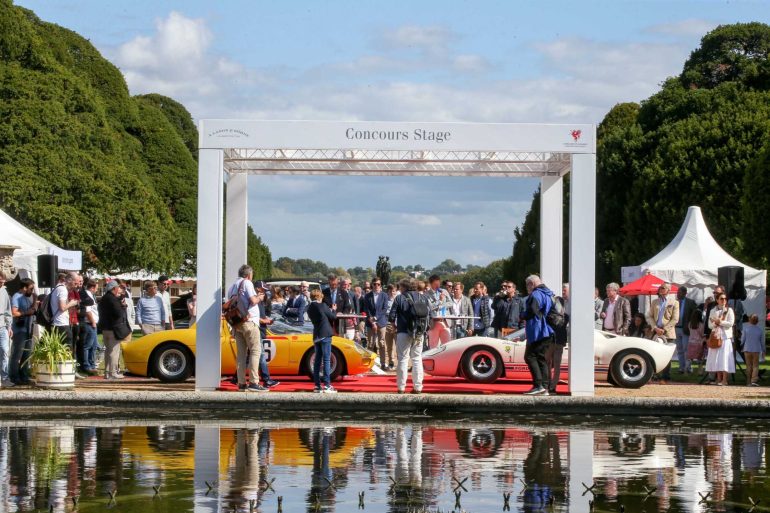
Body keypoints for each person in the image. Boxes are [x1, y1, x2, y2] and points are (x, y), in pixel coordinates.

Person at [227, 265, 267, 392]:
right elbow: (252, 300)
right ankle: (254, 382)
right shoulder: (247, 283)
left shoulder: (232, 286)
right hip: (249, 322)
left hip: (237, 323)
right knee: (255, 351)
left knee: (241, 355)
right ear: (249, 275)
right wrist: (260, 297)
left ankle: (241, 383)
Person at [389, 278, 427, 394]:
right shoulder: (423, 297)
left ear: (404, 287)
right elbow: (428, 315)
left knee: (403, 359)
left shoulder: (399, 298)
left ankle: (401, 387)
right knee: (417, 358)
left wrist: (394, 328)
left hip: (403, 331)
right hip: (419, 332)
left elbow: (391, 317)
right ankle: (418, 387)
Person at [522, 275, 554, 396]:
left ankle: (538, 385)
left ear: (532, 284)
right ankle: (545, 387)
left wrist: (523, 315)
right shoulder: (548, 293)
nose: (527, 288)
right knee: (541, 358)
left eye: (527, 285)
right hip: (548, 331)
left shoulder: (535, 294)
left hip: (538, 331)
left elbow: (533, 311)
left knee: (530, 356)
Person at [646, 282, 679, 383]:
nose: (661, 289)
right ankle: (652, 375)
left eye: (663, 288)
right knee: (653, 353)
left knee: (666, 355)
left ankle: (665, 377)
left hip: (668, 333)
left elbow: (675, 319)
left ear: (668, 290)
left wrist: (664, 329)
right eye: (660, 287)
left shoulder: (674, 302)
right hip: (656, 331)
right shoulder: (655, 302)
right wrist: (655, 327)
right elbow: (649, 316)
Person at [307, 288, 337, 393]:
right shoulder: (323, 306)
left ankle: (317, 385)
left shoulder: (309, 308)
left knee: (317, 362)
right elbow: (333, 317)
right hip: (325, 335)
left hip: (316, 335)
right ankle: (327, 385)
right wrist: (333, 309)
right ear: (319, 297)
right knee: (327, 360)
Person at [97, 280, 128, 380]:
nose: (118, 289)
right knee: (114, 352)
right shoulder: (113, 299)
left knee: (108, 351)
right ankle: (113, 373)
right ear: (113, 288)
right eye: (117, 287)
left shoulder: (103, 299)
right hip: (113, 328)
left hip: (105, 328)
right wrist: (123, 306)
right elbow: (118, 313)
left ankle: (107, 373)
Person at [9, 278, 37, 385]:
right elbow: (14, 312)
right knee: (17, 354)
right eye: (31, 288)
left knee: (26, 354)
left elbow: (32, 310)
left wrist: (34, 301)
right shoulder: (17, 297)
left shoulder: (26, 297)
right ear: (24, 288)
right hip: (19, 330)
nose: (32, 290)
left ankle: (24, 375)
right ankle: (14, 376)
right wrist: (26, 313)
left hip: (28, 329)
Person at [254, 280, 280, 388]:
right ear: (258, 289)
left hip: (260, 330)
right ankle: (266, 379)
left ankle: (236, 377)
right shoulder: (256, 300)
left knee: (252, 356)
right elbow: (254, 317)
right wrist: (265, 321)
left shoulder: (259, 301)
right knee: (261, 356)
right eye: (263, 290)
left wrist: (266, 320)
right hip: (257, 330)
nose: (264, 292)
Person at [707, 292, 735, 386]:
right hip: (716, 336)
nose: (724, 301)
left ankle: (725, 379)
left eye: (725, 299)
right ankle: (718, 379)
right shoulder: (712, 310)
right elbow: (710, 325)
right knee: (717, 358)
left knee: (725, 358)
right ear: (717, 300)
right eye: (721, 299)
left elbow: (731, 323)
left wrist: (720, 322)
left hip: (725, 337)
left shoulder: (729, 310)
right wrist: (715, 323)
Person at [364, 278, 391, 370]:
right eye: (375, 284)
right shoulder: (367, 296)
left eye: (378, 284)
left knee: (382, 343)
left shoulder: (384, 295)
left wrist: (376, 318)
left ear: (381, 285)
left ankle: (383, 363)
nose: (376, 286)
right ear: (372, 285)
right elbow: (367, 309)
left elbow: (384, 309)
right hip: (370, 323)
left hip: (381, 322)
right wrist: (372, 320)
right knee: (370, 343)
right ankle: (369, 364)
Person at [51, 272, 80, 354]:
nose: (76, 286)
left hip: (57, 323)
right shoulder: (63, 289)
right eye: (75, 283)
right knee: (67, 350)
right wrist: (72, 303)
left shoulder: (58, 287)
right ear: (69, 280)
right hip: (61, 324)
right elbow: (62, 307)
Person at [675, 286, 697, 374]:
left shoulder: (690, 302)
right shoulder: (675, 302)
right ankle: (681, 367)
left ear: (685, 293)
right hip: (676, 328)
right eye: (677, 292)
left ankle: (688, 367)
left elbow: (694, 315)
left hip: (686, 329)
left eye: (679, 293)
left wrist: (689, 325)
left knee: (686, 348)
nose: (678, 294)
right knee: (679, 349)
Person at [80, 279, 100, 375]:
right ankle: (86, 365)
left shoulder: (92, 295)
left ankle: (92, 365)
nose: (97, 290)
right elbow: (88, 311)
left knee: (94, 346)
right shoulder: (87, 295)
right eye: (96, 288)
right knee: (88, 345)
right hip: (89, 323)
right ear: (92, 287)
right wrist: (93, 322)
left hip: (93, 323)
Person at [741, 314, 764, 387]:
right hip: (756, 350)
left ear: (749, 320)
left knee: (748, 366)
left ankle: (748, 381)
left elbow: (742, 340)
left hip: (747, 349)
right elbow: (762, 342)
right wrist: (763, 350)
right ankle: (753, 380)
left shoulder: (746, 329)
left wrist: (741, 344)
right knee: (755, 366)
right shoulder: (760, 330)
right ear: (757, 321)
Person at [0, 271, 12, 387]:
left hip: (2, 326)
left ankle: (4, 378)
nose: (2, 284)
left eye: (3, 282)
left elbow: (8, 311)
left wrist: (9, 326)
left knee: (4, 351)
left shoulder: (4, 291)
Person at [686, 310, 706, 375]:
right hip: (699, 343)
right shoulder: (701, 325)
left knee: (689, 358)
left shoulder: (690, 324)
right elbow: (702, 334)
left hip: (691, 343)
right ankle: (700, 372)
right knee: (700, 359)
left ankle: (688, 370)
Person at [384, 284, 398, 369]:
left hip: (397, 325)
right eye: (390, 291)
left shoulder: (399, 300)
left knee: (399, 345)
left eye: (393, 291)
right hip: (388, 324)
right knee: (389, 346)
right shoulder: (385, 300)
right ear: (388, 292)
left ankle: (400, 362)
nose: (392, 293)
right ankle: (391, 362)